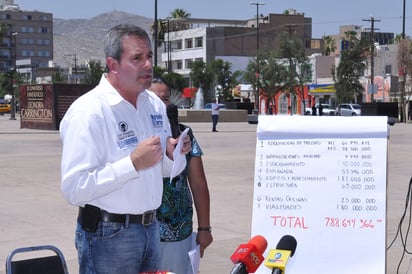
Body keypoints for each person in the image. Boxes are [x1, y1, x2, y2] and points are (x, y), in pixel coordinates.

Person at [59, 24, 191, 274]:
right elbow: (74, 189)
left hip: (151, 228)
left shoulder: (153, 103)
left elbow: (162, 171)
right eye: (137, 58)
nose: (148, 65)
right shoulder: (89, 112)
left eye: (149, 56)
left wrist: (171, 156)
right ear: (113, 65)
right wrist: (132, 164)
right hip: (108, 236)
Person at [149, 76, 213, 274]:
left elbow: (198, 183)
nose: (162, 103)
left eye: (166, 98)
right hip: (141, 232)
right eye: (155, 98)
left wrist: (204, 229)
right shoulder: (139, 134)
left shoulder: (185, 134)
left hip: (178, 231)